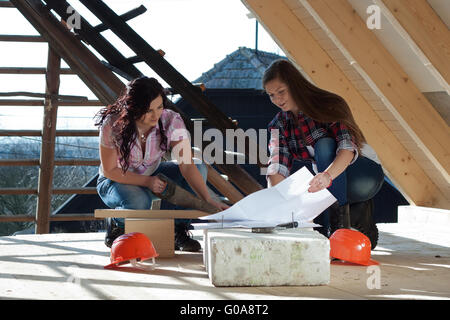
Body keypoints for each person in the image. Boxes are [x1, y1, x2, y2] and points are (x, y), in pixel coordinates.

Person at [95, 76, 228, 251]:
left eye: (159, 107)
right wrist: (147, 182)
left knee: (199, 166)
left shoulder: (171, 120)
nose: (156, 115)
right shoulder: (112, 124)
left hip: (153, 173)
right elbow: (110, 170)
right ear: (133, 108)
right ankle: (118, 225)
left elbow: (187, 165)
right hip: (115, 180)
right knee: (138, 201)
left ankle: (178, 230)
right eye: (148, 110)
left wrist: (207, 199)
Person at [263, 59, 384, 241]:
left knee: (325, 144)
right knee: (313, 214)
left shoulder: (329, 103)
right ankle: (357, 216)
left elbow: (347, 148)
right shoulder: (278, 124)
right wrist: (280, 201)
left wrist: (327, 176)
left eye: (281, 91)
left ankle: (341, 232)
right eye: (271, 95)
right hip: (327, 181)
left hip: (363, 174)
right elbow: (276, 165)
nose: (277, 99)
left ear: (295, 85)